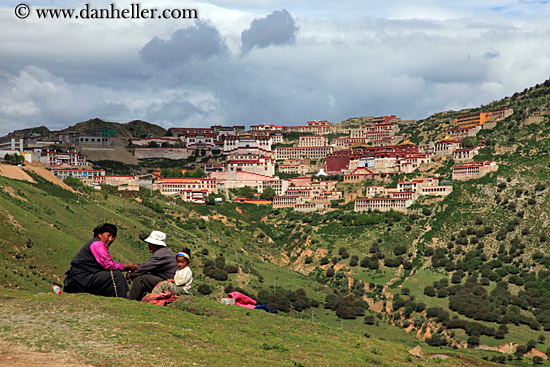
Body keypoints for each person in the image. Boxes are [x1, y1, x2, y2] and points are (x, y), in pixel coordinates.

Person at [63, 223, 137, 298]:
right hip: (80, 279)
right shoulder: (97, 244)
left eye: (113, 237)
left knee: (110, 276)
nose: (110, 239)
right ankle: (122, 300)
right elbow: (109, 265)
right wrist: (127, 267)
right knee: (115, 275)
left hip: (82, 278)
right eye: (108, 236)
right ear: (100, 234)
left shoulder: (97, 243)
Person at [127, 230, 178, 301]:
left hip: (169, 285)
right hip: (167, 281)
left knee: (141, 279)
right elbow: (147, 267)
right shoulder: (164, 252)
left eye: (152, 244)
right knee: (143, 276)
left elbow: (145, 268)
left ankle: (131, 301)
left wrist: (130, 274)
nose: (150, 245)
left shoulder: (161, 254)